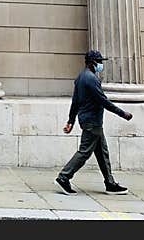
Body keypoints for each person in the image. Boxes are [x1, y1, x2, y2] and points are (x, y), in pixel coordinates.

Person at [55, 50, 133, 196]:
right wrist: (122, 113)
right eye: (99, 62)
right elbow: (103, 101)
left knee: (102, 153)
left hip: (90, 121)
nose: (101, 65)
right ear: (92, 63)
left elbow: (75, 102)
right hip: (92, 122)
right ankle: (63, 177)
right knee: (84, 152)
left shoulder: (80, 77)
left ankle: (110, 183)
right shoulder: (91, 79)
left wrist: (71, 121)